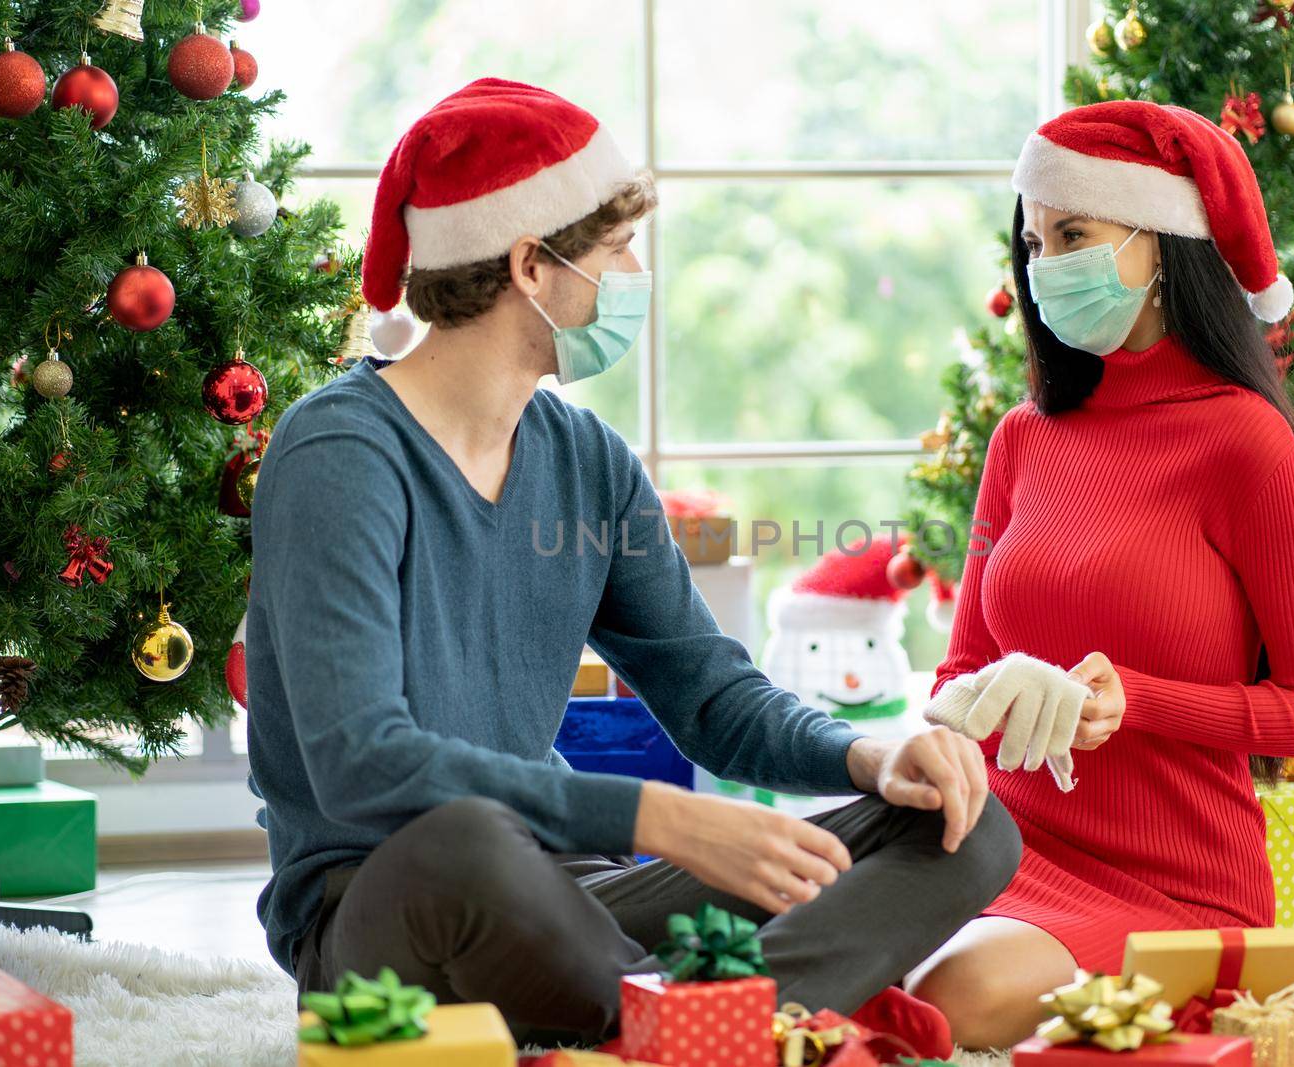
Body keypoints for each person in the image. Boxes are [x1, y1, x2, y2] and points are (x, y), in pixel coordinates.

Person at [243, 77, 1019, 1048]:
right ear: (531, 264)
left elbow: (712, 694)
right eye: (615, 249)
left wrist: (867, 753)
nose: (636, 272)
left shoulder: (586, 459)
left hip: (573, 889)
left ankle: (691, 1026)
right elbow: (362, 762)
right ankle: (721, 1017)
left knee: (962, 823)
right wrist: (661, 815)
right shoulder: (339, 452)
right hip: (392, 902)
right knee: (469, 838)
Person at [904, 99, 1294, 1049]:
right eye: (1033, 242)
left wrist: (1133, 701)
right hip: (997, 847)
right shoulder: (1022, 441)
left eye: (1073, 234)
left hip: (1173, 882)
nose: (1044, 267)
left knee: (955, 996)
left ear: (1162, 245)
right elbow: (954, 678)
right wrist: (984, 694)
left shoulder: (1245, 442)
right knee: (801, 940)